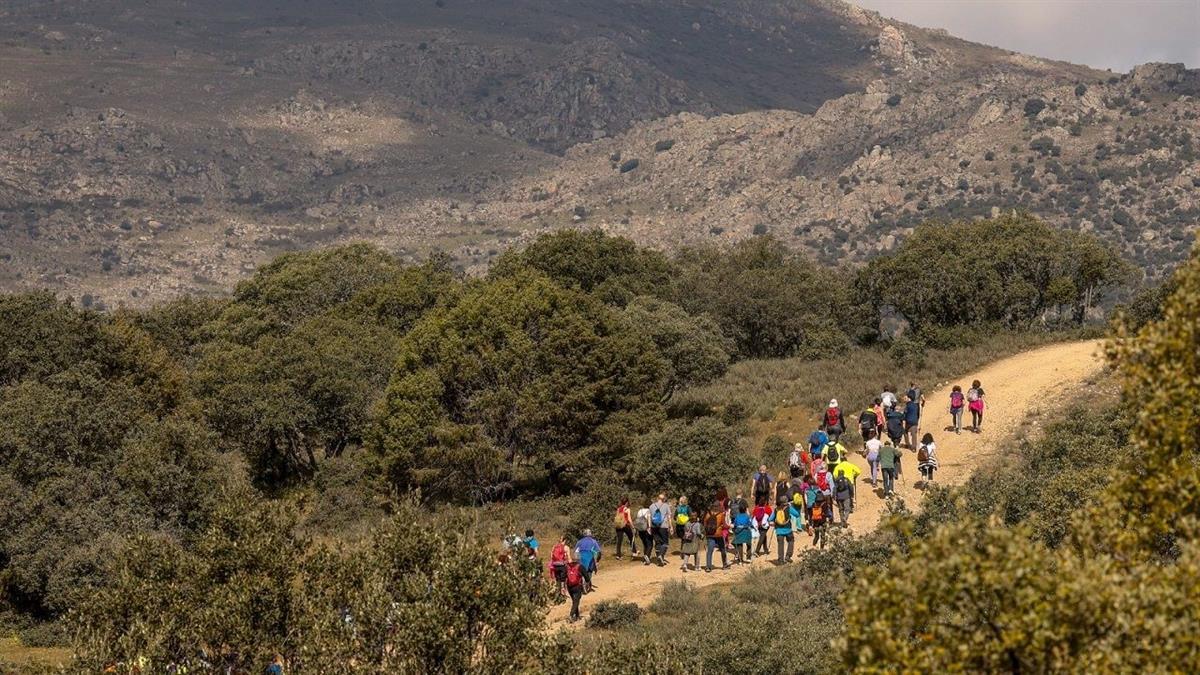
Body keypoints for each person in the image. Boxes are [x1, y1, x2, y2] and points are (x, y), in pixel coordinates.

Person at [832, 460, 861, 527]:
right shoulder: (847, 477)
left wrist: (834, 496)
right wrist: (852, 494)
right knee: (847, 509)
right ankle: (845, 518)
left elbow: (834, 487)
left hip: (839, 497)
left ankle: (842, 522)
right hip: (846, 494)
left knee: (841, 509)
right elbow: (858, 471)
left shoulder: (837, 468)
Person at [702, 502, 729, 572]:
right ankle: (725, 565)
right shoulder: (721, 515)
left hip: (709, 535)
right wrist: (730, 526)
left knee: (710, 551)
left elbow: (704, 524)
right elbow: (725, 525)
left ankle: (708, 567)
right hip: (719, 535)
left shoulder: (708, 514)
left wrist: (707, 531)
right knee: (723, 550)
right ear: (719, 507)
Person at [650, 494, 672, 566]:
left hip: (654, 526)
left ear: (657, 498)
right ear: (664, 499)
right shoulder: (666, 506)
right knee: (665, 543)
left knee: (657, 542)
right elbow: (669, 516)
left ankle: (659, 559)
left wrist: (649, 527)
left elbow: (649, 517)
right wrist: (671, 526)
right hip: (663, 526)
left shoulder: (651, 506)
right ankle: (661, 555)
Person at [773, 496, 795, 564]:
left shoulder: (776, 509)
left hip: (779, 530)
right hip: (788, 529)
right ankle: (788, 556)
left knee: (780, 545)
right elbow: (797, 514)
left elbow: (770, 519)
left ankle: (781, 560)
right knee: (791, 541)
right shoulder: (789, 508)